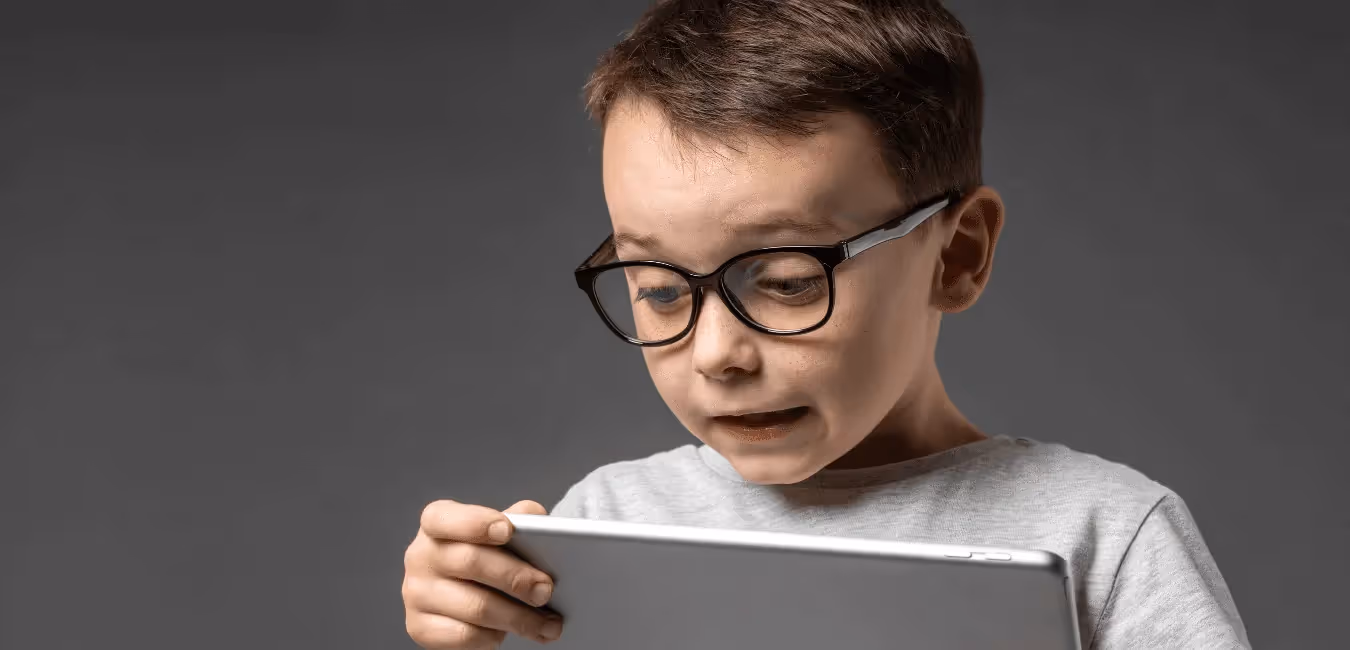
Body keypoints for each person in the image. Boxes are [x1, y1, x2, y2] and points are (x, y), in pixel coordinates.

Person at [401, 1, 1250, 647]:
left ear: (957, 255)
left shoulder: (1105, 535)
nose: (717, 353)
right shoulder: (604, 525)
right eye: (658, 288)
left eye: (786, 281)